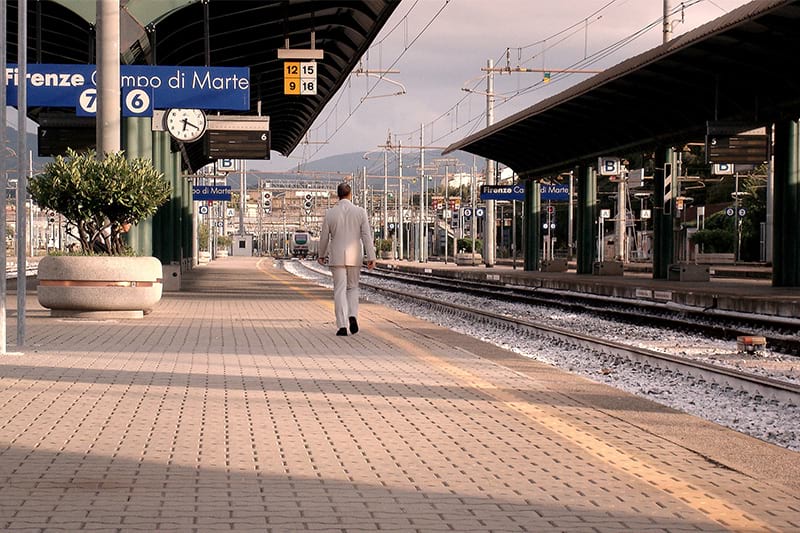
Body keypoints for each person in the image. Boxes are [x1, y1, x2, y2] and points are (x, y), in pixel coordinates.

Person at [317, 182, 377, 336]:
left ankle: (342, 326)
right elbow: (366, 236)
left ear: (338, 195)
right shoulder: (360, 212)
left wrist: (321, 254)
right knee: (353, 288)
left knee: (339, 290)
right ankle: (352, 316)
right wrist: (371, 256)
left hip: (337, 256)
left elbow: (324, 237)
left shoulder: (330, 213)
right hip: (354, 255)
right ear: (350, 195)